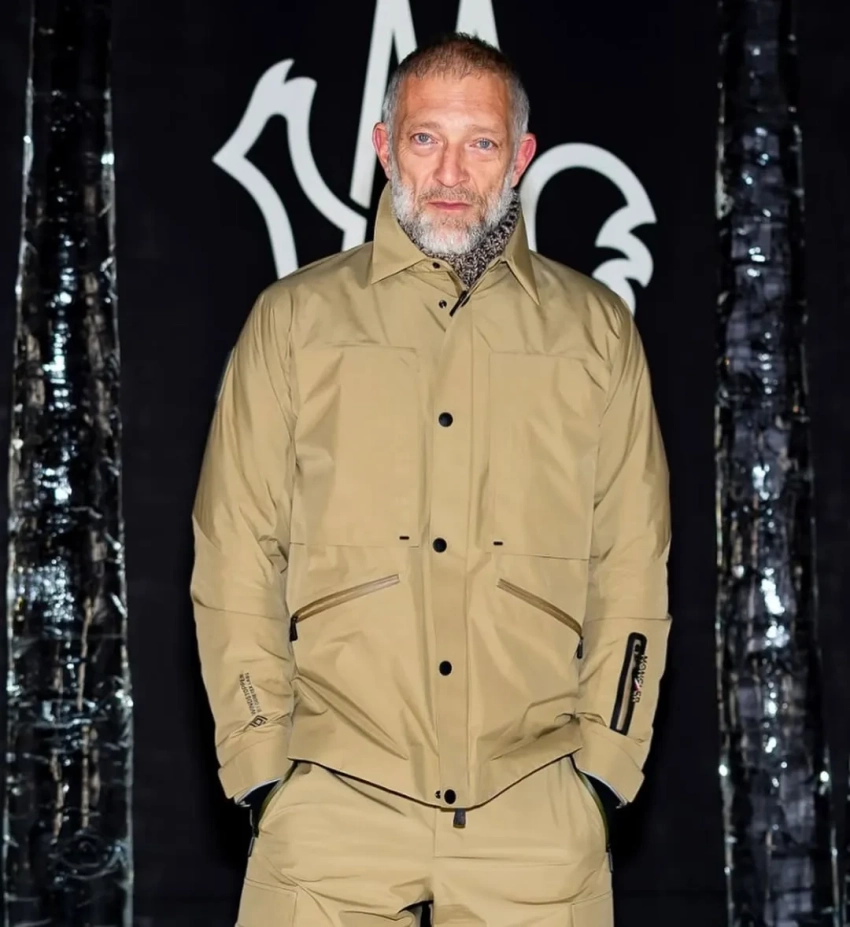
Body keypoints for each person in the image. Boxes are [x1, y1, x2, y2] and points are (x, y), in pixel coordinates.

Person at [191, 32, 670, 927]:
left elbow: (634, 563)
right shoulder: (293, 322)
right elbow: (235, 552)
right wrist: (262, 767)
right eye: (425, 138)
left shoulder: (597, 334)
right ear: (384, 147)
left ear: (520, 157)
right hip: (331, 806)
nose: (451, 172)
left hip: (534, 810)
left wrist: (605, 768)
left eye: (480, 142)